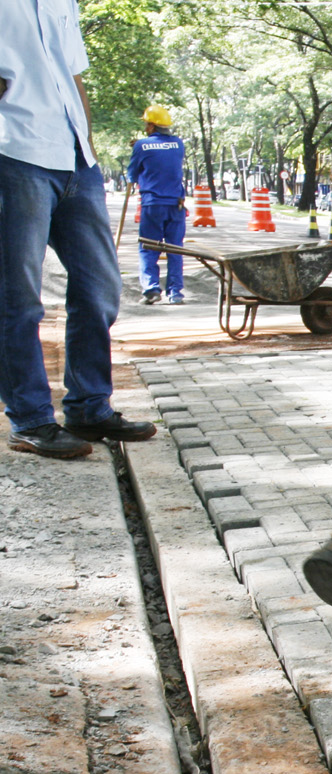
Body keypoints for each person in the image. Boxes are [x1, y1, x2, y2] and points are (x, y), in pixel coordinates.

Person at [0, 1, 156, 459]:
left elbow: (73, 75)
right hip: (14, 153)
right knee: (18, 298)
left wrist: (86, 145)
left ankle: (89, 408)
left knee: (100, 288)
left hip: (75, 161)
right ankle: (30, 419)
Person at [127, 104, 187, 306]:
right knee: (175, 249)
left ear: (152, 126)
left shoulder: (141, 146)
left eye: (147, 124)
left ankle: (151, 289)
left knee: (149, 248)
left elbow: (132, 174)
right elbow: (163, 157)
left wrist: (138, 149)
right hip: (176, 204)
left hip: (153, 204)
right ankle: (175, 293)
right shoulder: (178, 144)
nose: (145, 127)